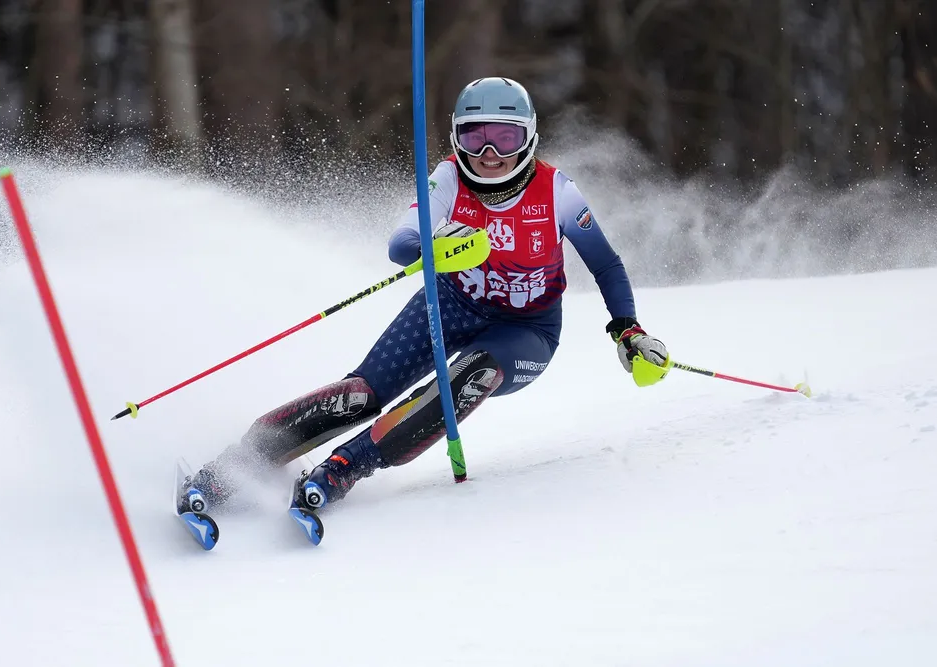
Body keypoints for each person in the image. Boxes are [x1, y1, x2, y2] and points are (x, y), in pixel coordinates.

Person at [178, 77, 670, 516]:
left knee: (469, 376)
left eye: (505, 137)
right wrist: (433, 246)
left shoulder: (557, 192)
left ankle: (344, 468)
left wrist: (627, 329)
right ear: (458, 138)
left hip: (525, 330)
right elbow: (401, 244)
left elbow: (605, 264)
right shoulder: (448, 178)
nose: (490, 153)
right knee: (362, 394)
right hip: (450, 304)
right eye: (475, 137)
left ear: (528, 138)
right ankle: (235, 466)